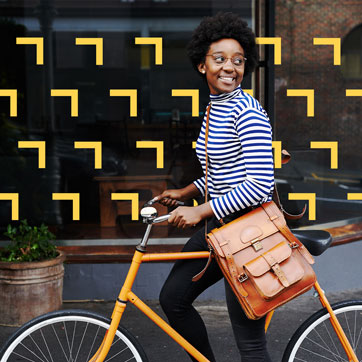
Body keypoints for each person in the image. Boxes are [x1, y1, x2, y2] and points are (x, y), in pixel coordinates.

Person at [156, 12, 274, 362]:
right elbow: (225, 172)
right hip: (218, 228)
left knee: (250, 343)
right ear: (201, 66)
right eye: (219, 59)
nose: (229, 67)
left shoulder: (247, 111)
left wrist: (199, 210)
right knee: (173, 300)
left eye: (238, 61)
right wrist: (186, 192)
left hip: (248, 235)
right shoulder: (215, 109)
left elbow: (257, 185)